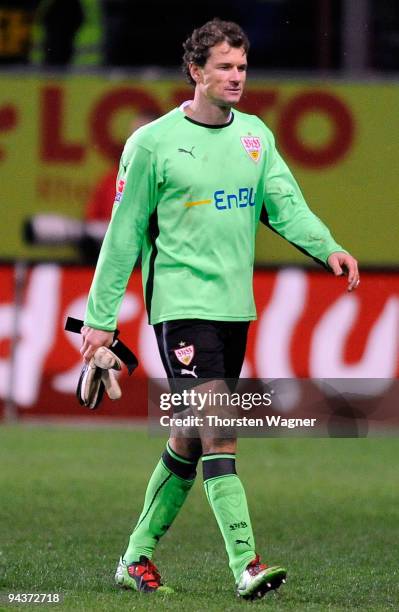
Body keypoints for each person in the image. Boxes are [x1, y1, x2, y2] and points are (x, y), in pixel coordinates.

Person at [80, 18, 359, 599]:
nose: (236, 77)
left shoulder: (255, 136)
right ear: (196, 71)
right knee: (221, 430)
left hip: (235, 308)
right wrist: (99, 319)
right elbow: (122, 235)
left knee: (189, 437)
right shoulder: (153, 143)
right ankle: (246, 565)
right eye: (225, 68)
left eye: (242, 67)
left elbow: (285, 204)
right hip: (181, 307)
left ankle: (135, 558)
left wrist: (327, 245)